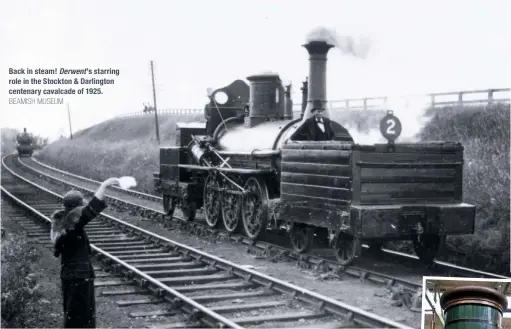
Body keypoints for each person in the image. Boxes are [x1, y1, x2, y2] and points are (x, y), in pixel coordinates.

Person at [51, 178, 120, 328]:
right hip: (79, 276)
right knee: (81, 316)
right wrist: (104, 185)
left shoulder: (64, 222)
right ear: (77, 208)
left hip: (72, 275)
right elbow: (90, 210)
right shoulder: (72, 224)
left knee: (73, 313)